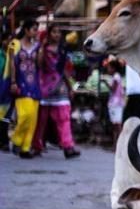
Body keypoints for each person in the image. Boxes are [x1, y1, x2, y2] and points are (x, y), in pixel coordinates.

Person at [32, 25, 80, 159]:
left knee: (64, 118)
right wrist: (42, 48)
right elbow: (39, 65)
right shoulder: (42, 50)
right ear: (49, 34)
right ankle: (36, 145)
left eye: (59, 32)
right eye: (54, 32)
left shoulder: (63, 51)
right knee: (41, 120)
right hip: (44, 88)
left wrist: (70, 88)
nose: (57, 34)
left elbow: (64, 71)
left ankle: (68, 147)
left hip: (60, 88)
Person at [8, 20, 41, 158]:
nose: (35, 32)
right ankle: (16, 139)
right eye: (33, 29)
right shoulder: (14, 44)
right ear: (26, 30)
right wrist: (13, 81)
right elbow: (11, 64)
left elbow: (39, 64)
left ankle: (25, 148)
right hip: (21, 83)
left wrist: (41, 48)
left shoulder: (37, 46)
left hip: (34, 84)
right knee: (25, 115)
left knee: (33, 119)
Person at [106, 58, 126, 145]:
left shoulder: (116, 77)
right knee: (115, 125)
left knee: (117, 125)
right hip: (115, 102)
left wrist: (105, 83)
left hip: (116, 103)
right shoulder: (116, 76)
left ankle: (120, 144)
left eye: (109, 67)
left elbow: (112, 88)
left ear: (113, 68)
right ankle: (116, 144)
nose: (108, 69)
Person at [0, 31, 12, 151]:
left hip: (8, 90)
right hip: (1, 88)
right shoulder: (1, 55)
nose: (9, 43)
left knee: (5, 117)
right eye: (6, 40)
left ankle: (4, 141)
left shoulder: (12, 55)